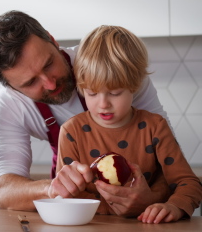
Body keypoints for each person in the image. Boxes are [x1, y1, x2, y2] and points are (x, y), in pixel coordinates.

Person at [0, 10, 171, 215]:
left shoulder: (111, 67)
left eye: (49, 63)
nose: (50, 84)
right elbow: (3, 191)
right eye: (31, 82)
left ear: (52, 40)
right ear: (12, 88)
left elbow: (168, 155)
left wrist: (151, 199)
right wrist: (51, 188)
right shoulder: (10, 104)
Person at [57, 25, 202, 223]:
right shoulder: (71, 131)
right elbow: (64, 193)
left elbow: (188, 182)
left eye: (115, 93)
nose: (103, 104)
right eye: (92, 93)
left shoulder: (154, 127)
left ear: (135, 86)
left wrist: (173, 207)